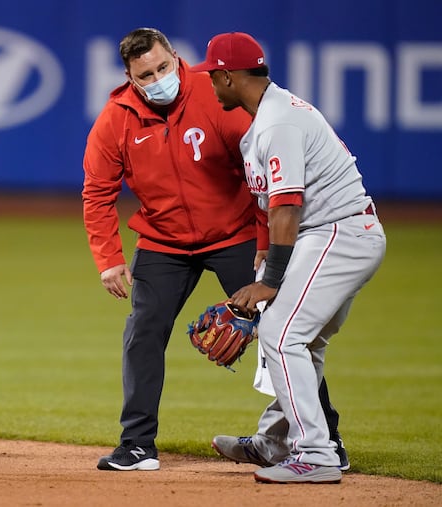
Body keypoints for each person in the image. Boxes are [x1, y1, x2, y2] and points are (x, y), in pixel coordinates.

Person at [82, 27, 351, 473]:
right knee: (143, 333)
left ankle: (328, 439)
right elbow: (97, 191)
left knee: (283, 334)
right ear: (130, 78)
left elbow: (262, 176)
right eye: (145, 75)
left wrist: (265, 244)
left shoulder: (213, 99)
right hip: (163, 243)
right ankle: (137, 445)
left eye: (163, 67)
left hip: (234, 236)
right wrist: (109, 259)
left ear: (175, 57)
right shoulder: (116, 119)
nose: (157, 79)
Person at [190, 32, 386, 483]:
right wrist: (268, 264)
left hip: (338, 232)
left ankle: (316, 455)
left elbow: (287, 205)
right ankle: (276, 442)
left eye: (213, 76)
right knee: (305, 340)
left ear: (227, 76)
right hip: (333, 234)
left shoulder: (278, 123)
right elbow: (275, 207)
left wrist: (270, 281)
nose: (211, 84)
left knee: (281, 334)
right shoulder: (268, 118)